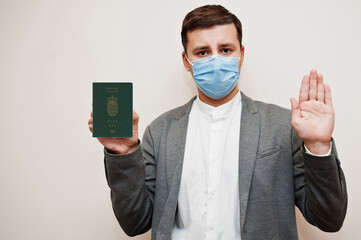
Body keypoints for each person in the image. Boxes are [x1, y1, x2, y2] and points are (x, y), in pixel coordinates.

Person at [88, 5, 347, 240]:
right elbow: (135, 223)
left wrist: (318, 147)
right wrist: (123, 153)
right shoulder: (160, 131)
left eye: (225, 50)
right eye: (202, 52)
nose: (215, 60)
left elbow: (329, 219)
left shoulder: (282, 126)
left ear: (241, 54)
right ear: (186, 61)